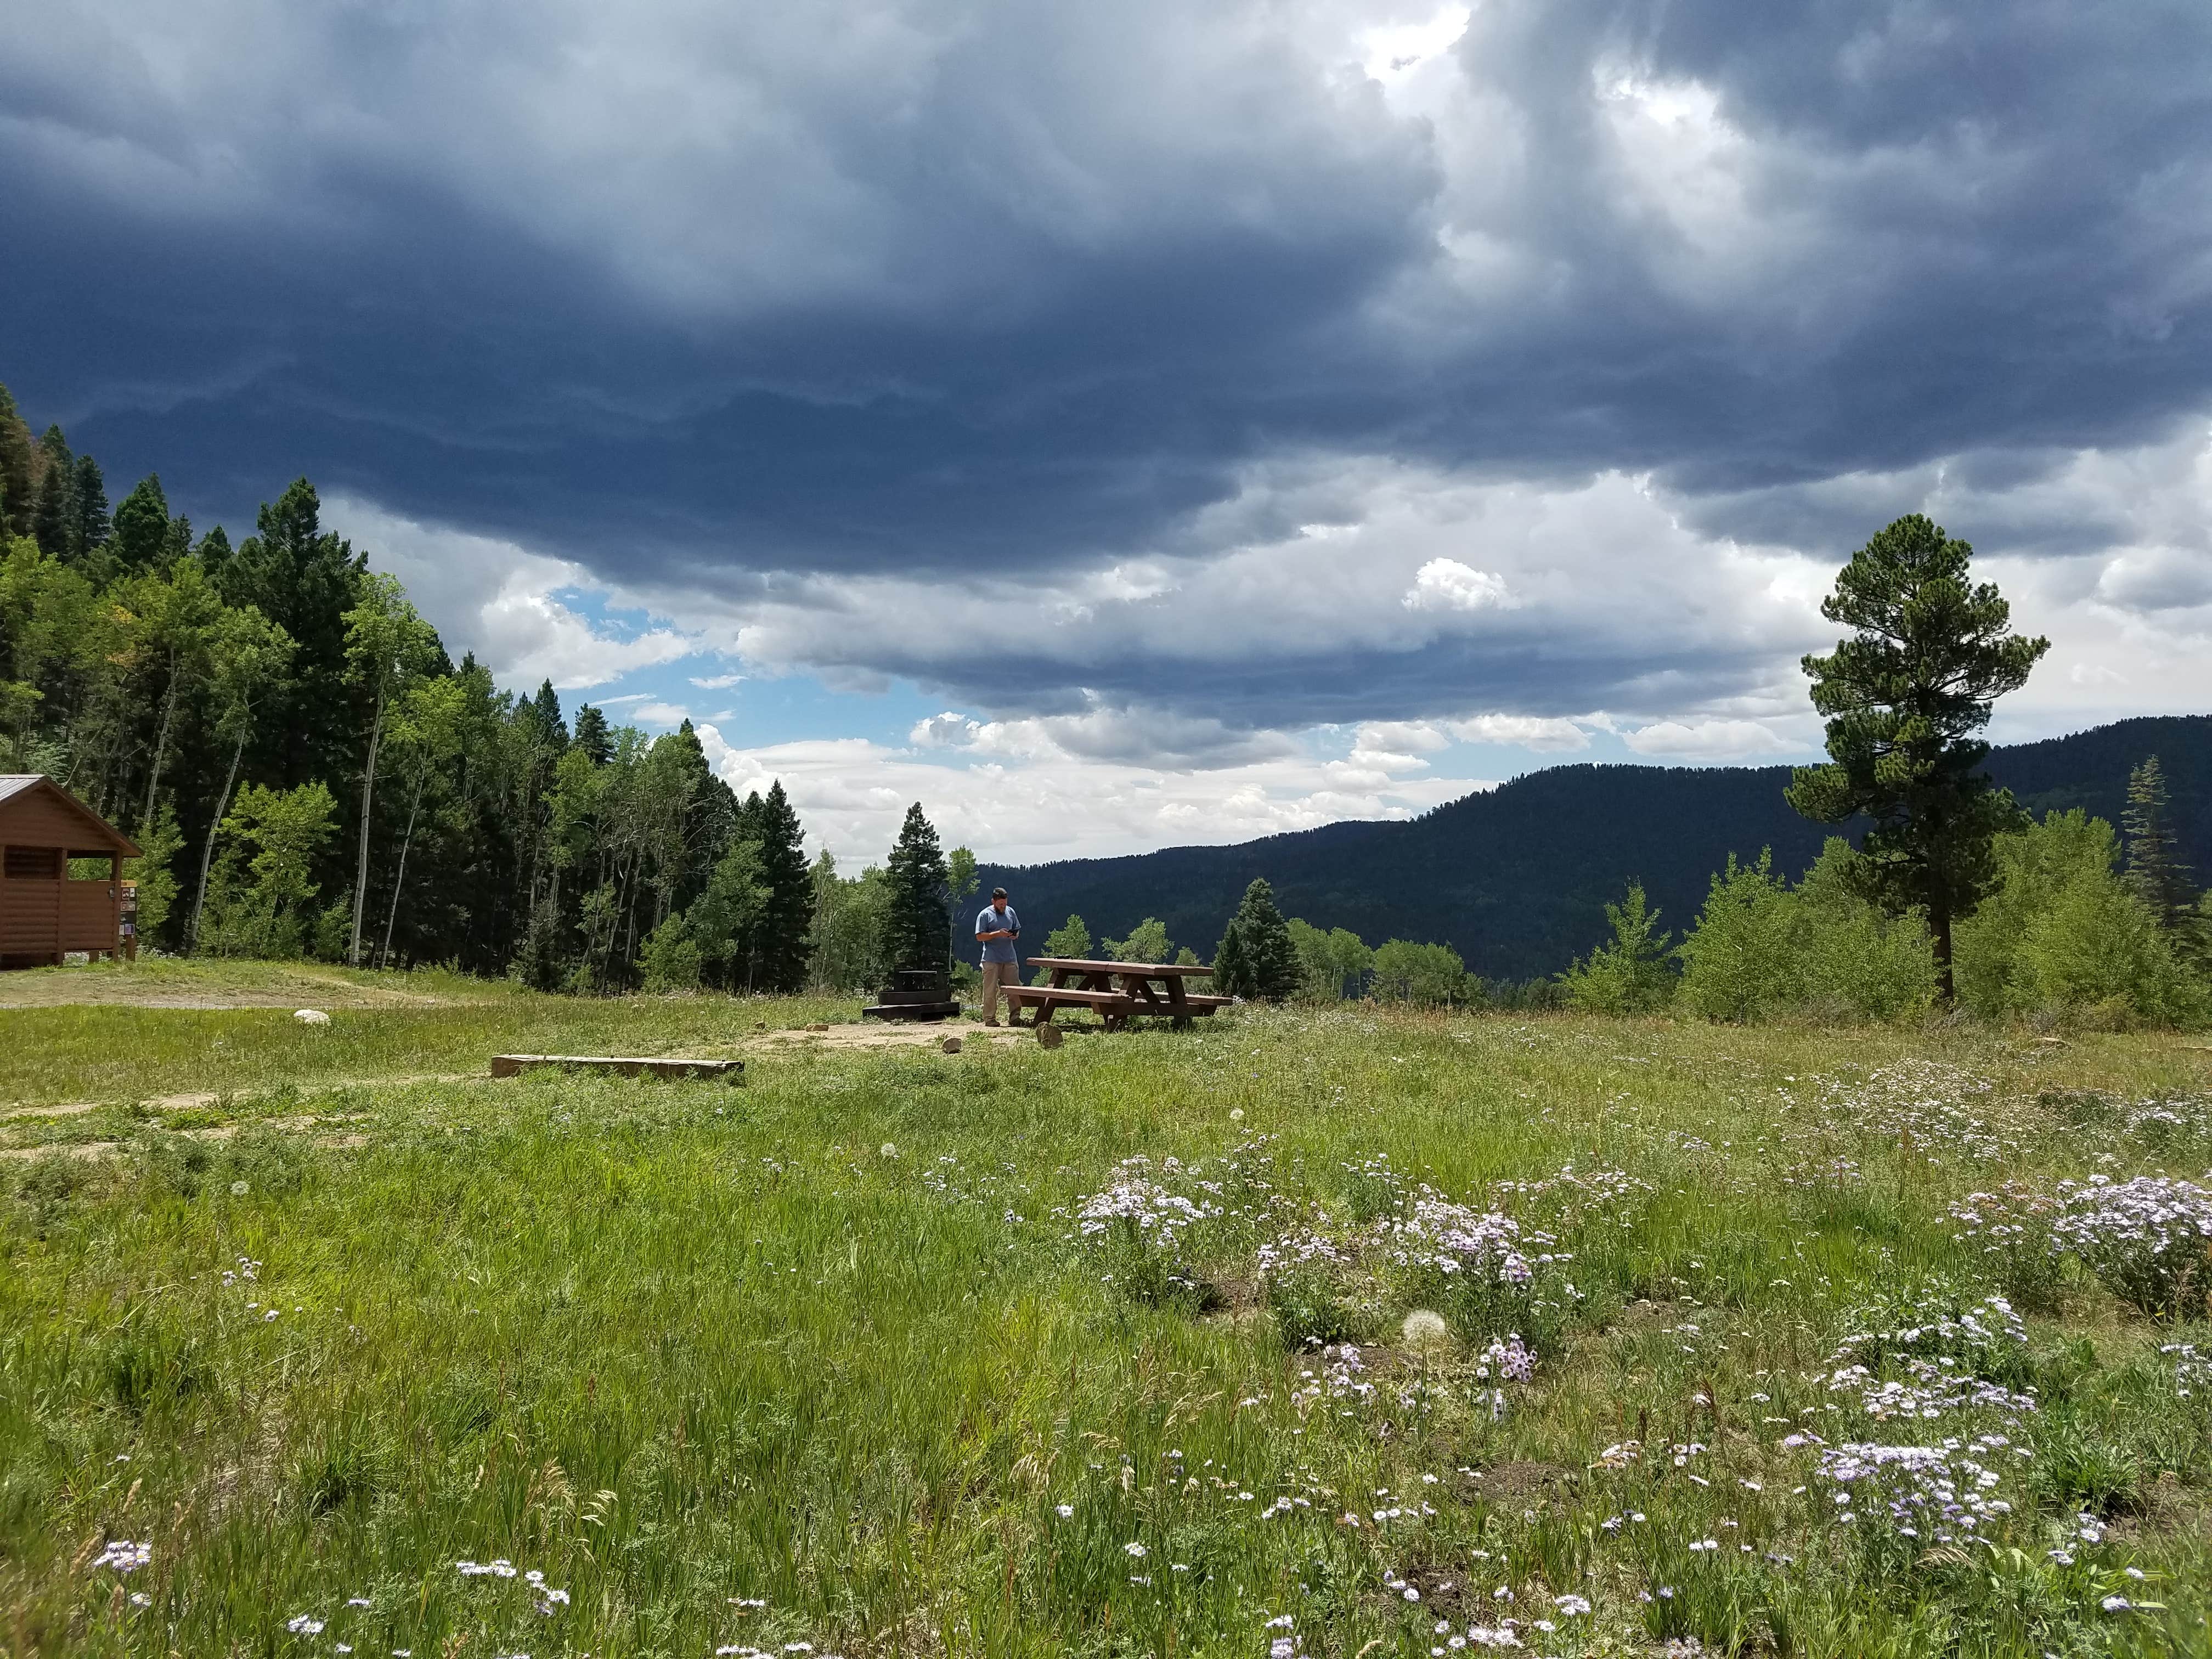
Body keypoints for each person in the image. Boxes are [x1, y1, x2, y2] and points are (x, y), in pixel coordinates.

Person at [974, 887, 1022, 1026]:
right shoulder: (985, 915)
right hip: (991, 958)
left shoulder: (1011, 912)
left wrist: (1014, 935)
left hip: (1010, 958)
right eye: (1001, 904)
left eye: (1005, 903)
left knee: (1015, 989)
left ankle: (1015, 1017)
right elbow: (979, 936)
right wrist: (998, 934)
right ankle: (990, 1019)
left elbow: (1017, 930)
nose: (1003, 906)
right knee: (990, 990)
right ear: (993, 901)